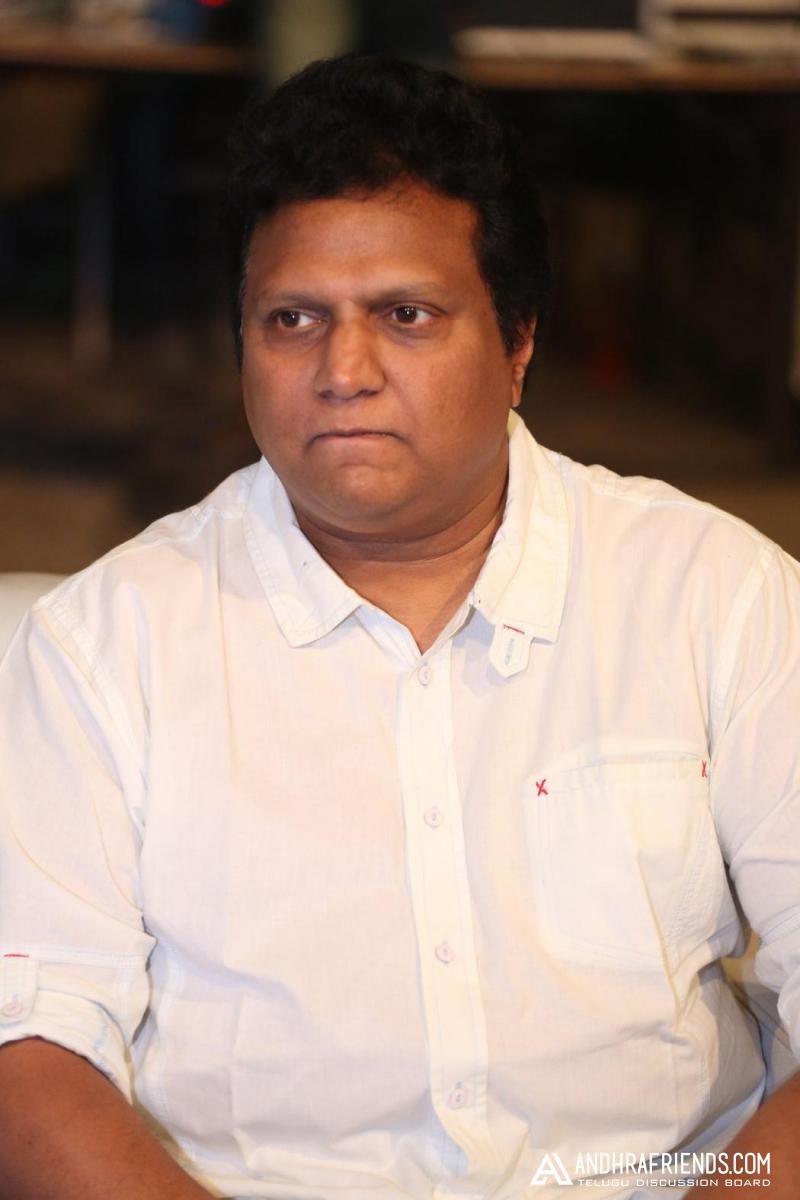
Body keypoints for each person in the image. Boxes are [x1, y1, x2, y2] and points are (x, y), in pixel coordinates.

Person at [0, 54, 798, 1200]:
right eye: (292, 319)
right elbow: (32, 1053)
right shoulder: (103, 649)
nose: (344, 370)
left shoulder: (714, 598)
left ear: (516, 342)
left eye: (405, 316)